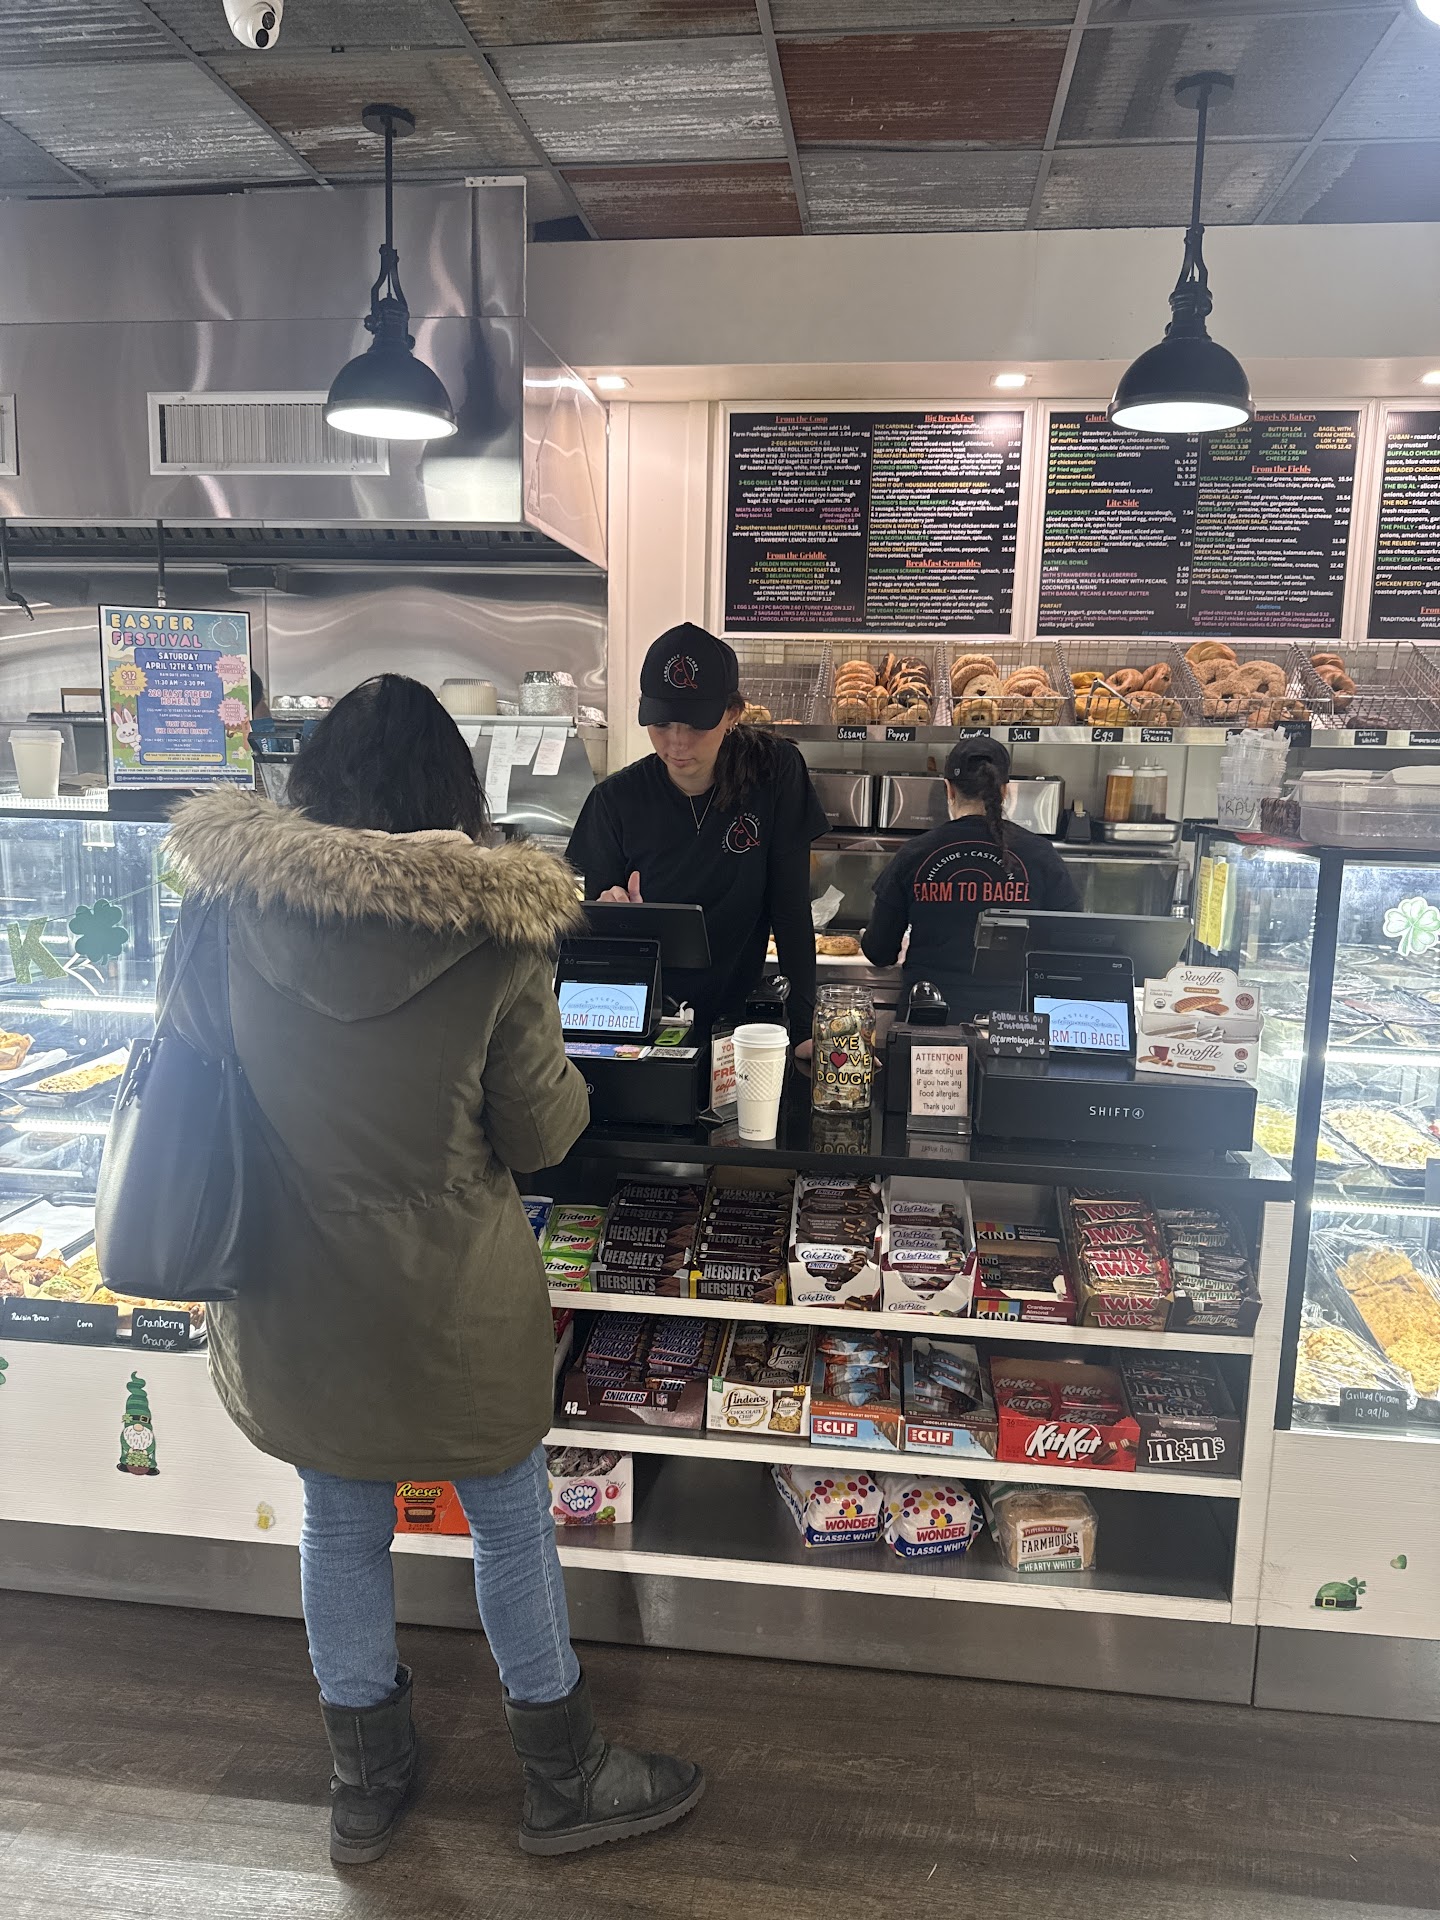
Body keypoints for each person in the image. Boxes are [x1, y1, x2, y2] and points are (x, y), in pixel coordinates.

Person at [161, 674, 703, 1864]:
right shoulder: (495, 937)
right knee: (509, 1523)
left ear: (314, 785)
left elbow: (194, 1061)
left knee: (339, 1524)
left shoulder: (224, 915)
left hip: (294, 1292)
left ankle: (366, 1781)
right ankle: (565, 1779)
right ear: (453, 794)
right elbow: (542, 1133)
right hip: (454, 1302)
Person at [566, 623, 827, 1043]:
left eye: (696, 725)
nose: (677, 743)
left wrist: (802, 1030)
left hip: (742, 1023)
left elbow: (791, 909)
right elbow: (594, 944)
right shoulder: (614, 801)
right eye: (661, 723)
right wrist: (613, 917)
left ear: (732, 714)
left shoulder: (773, 772)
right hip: (646, 1021)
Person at [862, 735, 1081, 1020]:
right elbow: (1072, 943)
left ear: (948, 789)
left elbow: (879, 951)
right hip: (1016, 1025)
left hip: (927, 1020)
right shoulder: (1040, 854)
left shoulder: (915, 853)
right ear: (1004, 791)